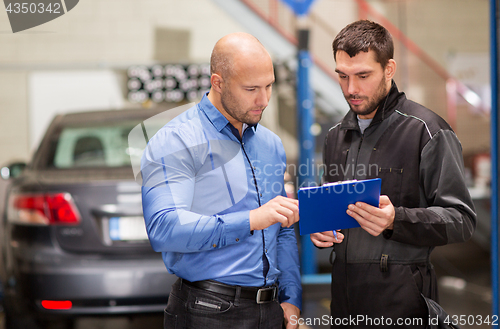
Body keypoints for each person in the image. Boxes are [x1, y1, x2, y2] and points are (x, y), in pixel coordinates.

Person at [311, 20, 476, 328]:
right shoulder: (336, 136)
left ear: (389, 69)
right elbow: (332, 214)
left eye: (363, 76)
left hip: (403, 303)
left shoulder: (427, 131)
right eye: (342, 76)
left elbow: (462, 220)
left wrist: (396, 219)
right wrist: (322, 231)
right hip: (344, 304)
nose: (351, 89)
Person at [141, 32, 302, 329]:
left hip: (271, 311)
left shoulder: (272, 145)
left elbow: (283, 228)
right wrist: (251, 219)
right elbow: (164, 228)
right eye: (251, 88)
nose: (264, 100)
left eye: (269, 86)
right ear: (218, 82)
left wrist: (292, 299)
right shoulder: (177, 140)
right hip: (207, 312)